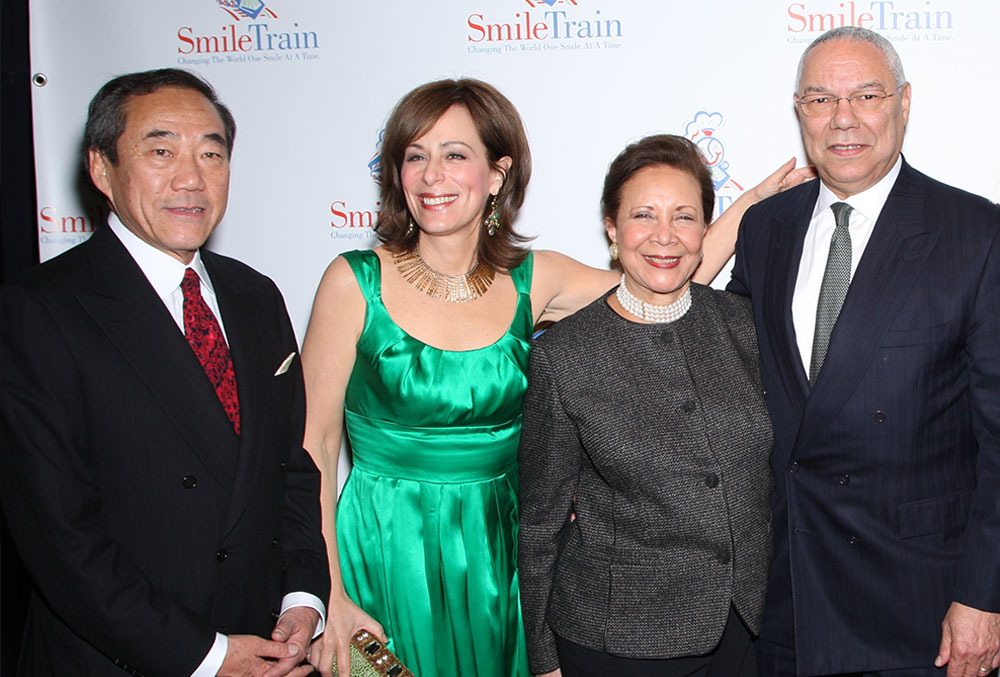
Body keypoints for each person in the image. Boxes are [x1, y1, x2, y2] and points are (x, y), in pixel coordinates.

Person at [302, 78, 810, 677]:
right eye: (416, 156)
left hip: (497, 555)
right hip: (384, 548)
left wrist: (746, 206)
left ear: (496, 174)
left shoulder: (533, 278)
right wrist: (326, 592)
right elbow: (316, 445)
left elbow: (661, 279)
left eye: (455, 154)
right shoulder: (353, 281)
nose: (432, 175)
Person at [0, 69, 330, 677]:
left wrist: (304, 598)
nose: (191, 178)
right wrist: (205, 656)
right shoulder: (41, 309)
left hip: (263, 650)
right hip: (123, 658)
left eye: (212, 153)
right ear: (101, 169)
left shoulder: (255, 295)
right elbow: (59, 536)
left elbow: (289, 468)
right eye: (160, 151)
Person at [728, 26, 1000, 677]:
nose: (842, 118)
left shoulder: (976, 232)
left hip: (921, 610)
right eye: (820, 100)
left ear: (903, 102)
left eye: (866, 95)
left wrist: (984, 594)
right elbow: (725, 379)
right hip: (786, 599)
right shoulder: (765, 227)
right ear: (799, 111)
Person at [517, 135, 772, 677]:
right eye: (643, 215)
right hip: (620, 643)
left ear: (706, 230)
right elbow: (540, 523)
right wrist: (543, 661)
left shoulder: (742, 325)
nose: (665, 236)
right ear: (612, 228)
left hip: (745, 629)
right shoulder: (565, 355)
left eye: (684, 216)